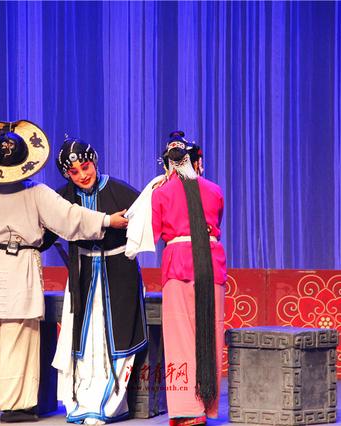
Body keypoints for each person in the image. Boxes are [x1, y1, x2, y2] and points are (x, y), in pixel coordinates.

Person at [0, 121, 128, 423]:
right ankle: (13, 406)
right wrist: (107, 221)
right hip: (18, 264)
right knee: (17, 335)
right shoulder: (36, 193)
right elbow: (70, 218)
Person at [44, 136, 147, 425]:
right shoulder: (62, 197)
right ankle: (80, 400)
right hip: (83, 273)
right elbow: (46, 233)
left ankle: (109, 403)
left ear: (95, 162)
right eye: (73, 172)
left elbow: (146, 220)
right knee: (84, 339)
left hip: (119, 273)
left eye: (85, 167)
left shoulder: (120, 190)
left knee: (113, 337)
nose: (82, 175)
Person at [151, 131, 226, 426]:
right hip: (210, 262)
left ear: (168, 164)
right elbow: (215, 223)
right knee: (211, 331)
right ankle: (207, 404)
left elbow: (154, 231)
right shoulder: (214, 190)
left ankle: (186, 409)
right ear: (197, 163)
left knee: (179, 335)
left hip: (178, 262)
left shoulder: (161, 192)